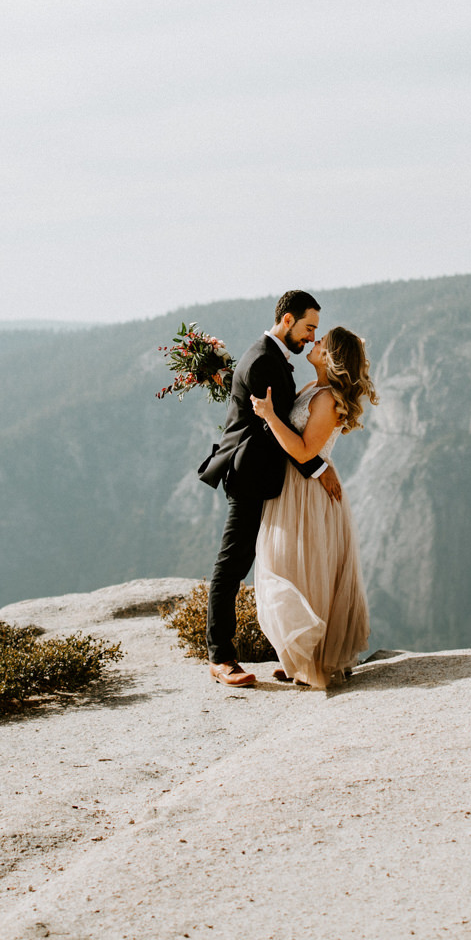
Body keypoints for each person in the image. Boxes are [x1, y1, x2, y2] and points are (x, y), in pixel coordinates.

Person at [196, 290, 339, 687]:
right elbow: (275, 429)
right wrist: (318, 466)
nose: (312, 337)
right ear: (288, 320)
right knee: (232, 565)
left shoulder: (269, 356)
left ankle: (294, 656)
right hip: (251, 476)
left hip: (269, 477)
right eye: (309, 327)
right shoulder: (263, 359)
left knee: (283, 564)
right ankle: (220, 657)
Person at [248, 325, 374, 689]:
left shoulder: (326, 398)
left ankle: (313, 663)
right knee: (290, 568)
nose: (314, 344)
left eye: (321, 342)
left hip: (308, 496)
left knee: (304, 571)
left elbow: (305, 450)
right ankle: (299, 657)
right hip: (296, 488)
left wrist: (270, 416)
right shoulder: (314, 389)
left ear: (331, 356)